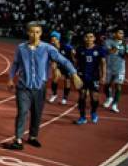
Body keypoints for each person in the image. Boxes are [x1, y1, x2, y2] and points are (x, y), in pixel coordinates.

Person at [5, 21, 82, 150]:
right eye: (32, 32)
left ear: (41, 33)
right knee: (22, 112)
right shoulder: (21, 48)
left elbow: (63, 60)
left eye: (37, 32)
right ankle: (17, 139)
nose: (35, 35)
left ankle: (33, 136)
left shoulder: (48, 48)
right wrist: (10, 78)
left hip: (40, 87)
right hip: (23, 87)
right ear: (27, 32)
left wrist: (74, 74)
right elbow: (15, 64)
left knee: (37, 113)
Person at [74, 30, 107, 125]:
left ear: (94, 38)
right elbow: (76, 63)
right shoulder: (80, 49)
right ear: (84, 38)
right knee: (82, 96)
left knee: (94, 97)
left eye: (91, 37)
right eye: (87, 37)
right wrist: (75, 75)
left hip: (94, 77)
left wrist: (103, 76)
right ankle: (82, 116)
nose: (89, 39)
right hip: (82, 76)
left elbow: (103, 63)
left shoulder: (99, 49)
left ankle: (93, 112)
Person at [103, 27, 128, 113]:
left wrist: (126, 47)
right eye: (119, 33)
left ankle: (115, 104)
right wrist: (120, 45)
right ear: (115, 33)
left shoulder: (125, 43)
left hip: (120, 68)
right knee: (106, 85)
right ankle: (109, 98)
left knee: (118, 85)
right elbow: (110, 52)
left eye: (122, 34)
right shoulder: (108, 41)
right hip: (109, 67)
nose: (121, 35)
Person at [47, 31, 75, 105]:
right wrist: (53, 63)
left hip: (67, 65)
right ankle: (54, 94)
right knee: (56, 76)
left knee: (67, 81)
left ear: (58, 39)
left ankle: (65, 98)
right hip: (59, 65)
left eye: (54, 39)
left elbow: (73, 55)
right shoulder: (51, 48)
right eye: (51, 39)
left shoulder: (66, 47)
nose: (52, 40)